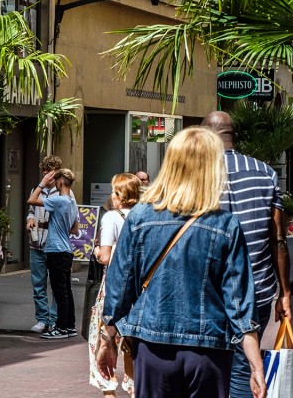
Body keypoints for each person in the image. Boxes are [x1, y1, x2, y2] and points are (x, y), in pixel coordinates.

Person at [97, 128, 266, 398]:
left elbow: (120, 285)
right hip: (208, 351)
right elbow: (240, 302)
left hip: (152, 346)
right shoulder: (225, 225)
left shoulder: (140, 217)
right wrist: (255, 365)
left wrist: (108, 339)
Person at [202, 111, 290, 398]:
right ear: (232, 136)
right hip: (258, 289)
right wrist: (285, 293)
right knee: (243, 368)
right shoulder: (265, 172)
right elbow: (278, 238)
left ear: (206, 136)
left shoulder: (197, 172)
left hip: (209, 290)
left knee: (208, 366)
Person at [88, 173, 139, 397]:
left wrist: (97, 251)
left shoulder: (110, 217)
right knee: (132, 344)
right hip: (139, 290)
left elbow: (106, 257)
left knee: (104, 341)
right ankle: (134, 389)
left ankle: (109, 392)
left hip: (113, 286)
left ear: (119, 194)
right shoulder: (143, 214)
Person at [29, 168, 79, 340]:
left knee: (59, 292)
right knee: (66, 290)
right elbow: (74, 228)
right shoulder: (72, 202)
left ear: (60, 182)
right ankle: (70, 326)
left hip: (55, 249)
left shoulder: (58, 200)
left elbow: (31, 200)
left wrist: (41, 184)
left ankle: (61, 327)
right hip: (66, 249)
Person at [26, 155, 62, 333]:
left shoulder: (63, 193)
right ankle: (42, 318)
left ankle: (54, 318)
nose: (46, 175)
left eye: (49, 172)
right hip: (36, 242)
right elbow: (31, 210)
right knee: (38, 284)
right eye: (44, 171)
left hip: (53, 243)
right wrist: (30, 219)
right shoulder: (36, 189)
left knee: (56, 284)